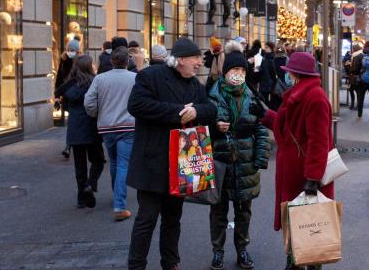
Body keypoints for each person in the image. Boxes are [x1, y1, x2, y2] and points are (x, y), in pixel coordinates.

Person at [126, 37, 217, 270]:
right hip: (152, 163)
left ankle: (171, 263)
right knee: (146, 220)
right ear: (180, 60)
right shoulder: (151, 76)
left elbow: (211, 109)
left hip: (181, 165)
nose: (199, 63)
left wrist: (196, 110)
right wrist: (177, 113)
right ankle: (137, 265)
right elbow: (136, 105)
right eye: (196, 58)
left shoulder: (195, 85)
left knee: (173, 219)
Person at [259, 52, 333, 270]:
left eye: (289, 72)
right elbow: (287, 128)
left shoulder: (315, 97)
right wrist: (265, 115)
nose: (287, 75)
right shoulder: (298, 94)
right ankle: (295, 261)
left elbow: (319, 141)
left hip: (304, 172)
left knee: (310, 223)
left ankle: (305, 264)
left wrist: (312, 178)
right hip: (294, 169)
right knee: (297, 221)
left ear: (296, 74)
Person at [207, 41, 270, 270]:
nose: (239, 74)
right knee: (218, 211)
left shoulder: (251, 98)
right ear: (225, 73)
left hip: (245, 162)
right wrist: (215, 127)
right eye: (235, 70)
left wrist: (259, 159)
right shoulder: (212, 96)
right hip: (220, 162)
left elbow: (261, 130)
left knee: (244, 212)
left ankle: (242, 249)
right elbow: (202, 128)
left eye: (243, 70)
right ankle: (218, 251)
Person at [84, 47, 137, 221]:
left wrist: (97, 114)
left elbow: (89, 102)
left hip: (107, 127)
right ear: (127, 62)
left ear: (112, 61)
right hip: (128, 126)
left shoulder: (100, 79)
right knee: (122, 164)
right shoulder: (135, 78)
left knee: (114, 162)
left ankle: (117, 196)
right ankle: (119, 205)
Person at [55, 54, 105, 208]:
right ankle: (90, 185)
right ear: (89, 66)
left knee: (80, 166)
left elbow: (59, 93)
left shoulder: (70, 84)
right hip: (91, 128)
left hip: (75, 129)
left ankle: (81, 199)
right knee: (98, 161)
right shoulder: (94, 83)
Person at [57, 39, 80, 159]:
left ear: (77, 51)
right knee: (72, 122)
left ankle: (69, 146)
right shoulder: (63, 59)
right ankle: (70, 145)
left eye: (73, 50)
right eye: (69, 49)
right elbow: (59, 78)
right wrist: (56, 96)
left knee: (72, 122)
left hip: (77, 95)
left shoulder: (80, 61)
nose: (70, 51)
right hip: (67, 95)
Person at [351, 41, 369, 122]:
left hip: (362, 80)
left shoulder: (360, 56)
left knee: (360, 97)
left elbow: (355, 70)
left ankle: (360, 114)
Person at [258, 41, 277, 106]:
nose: (265, 49)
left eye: (267, 47)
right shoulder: (264, 57)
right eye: (265, 47)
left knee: (266, 102)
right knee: (263, 101)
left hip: (268, 84)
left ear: (271, 49)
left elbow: (273, 74)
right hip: (263, 83)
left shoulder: (271, 59)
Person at [345, 44, 362, 110]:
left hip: (354, 76)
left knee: (353, 90)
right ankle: (356, 105)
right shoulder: (361, 55)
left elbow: (354, 67)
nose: (352, 50)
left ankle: (354, 105)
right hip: (358, 76)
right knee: (356, 91)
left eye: (353, 48)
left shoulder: (355, 56)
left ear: (355, 49)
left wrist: (348, 66)